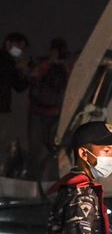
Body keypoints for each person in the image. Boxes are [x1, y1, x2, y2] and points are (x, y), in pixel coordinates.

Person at [27, 38, 72, 180]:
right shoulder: (44, 64)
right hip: (39, 112)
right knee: (37, 147)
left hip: (54, 114)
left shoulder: (65, 67)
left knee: (54, 149)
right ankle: (34, 179)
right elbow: (32, 79)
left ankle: (51, 180)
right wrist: (49, 61)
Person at [0, 32, 30, 113]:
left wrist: (28, 76)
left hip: (3, 107)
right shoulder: (7, 62)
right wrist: (15, 67)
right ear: (8, 43)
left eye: (22, 48)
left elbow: (18, 87)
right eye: (18, 46)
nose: (20, 51)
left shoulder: (13, 62)